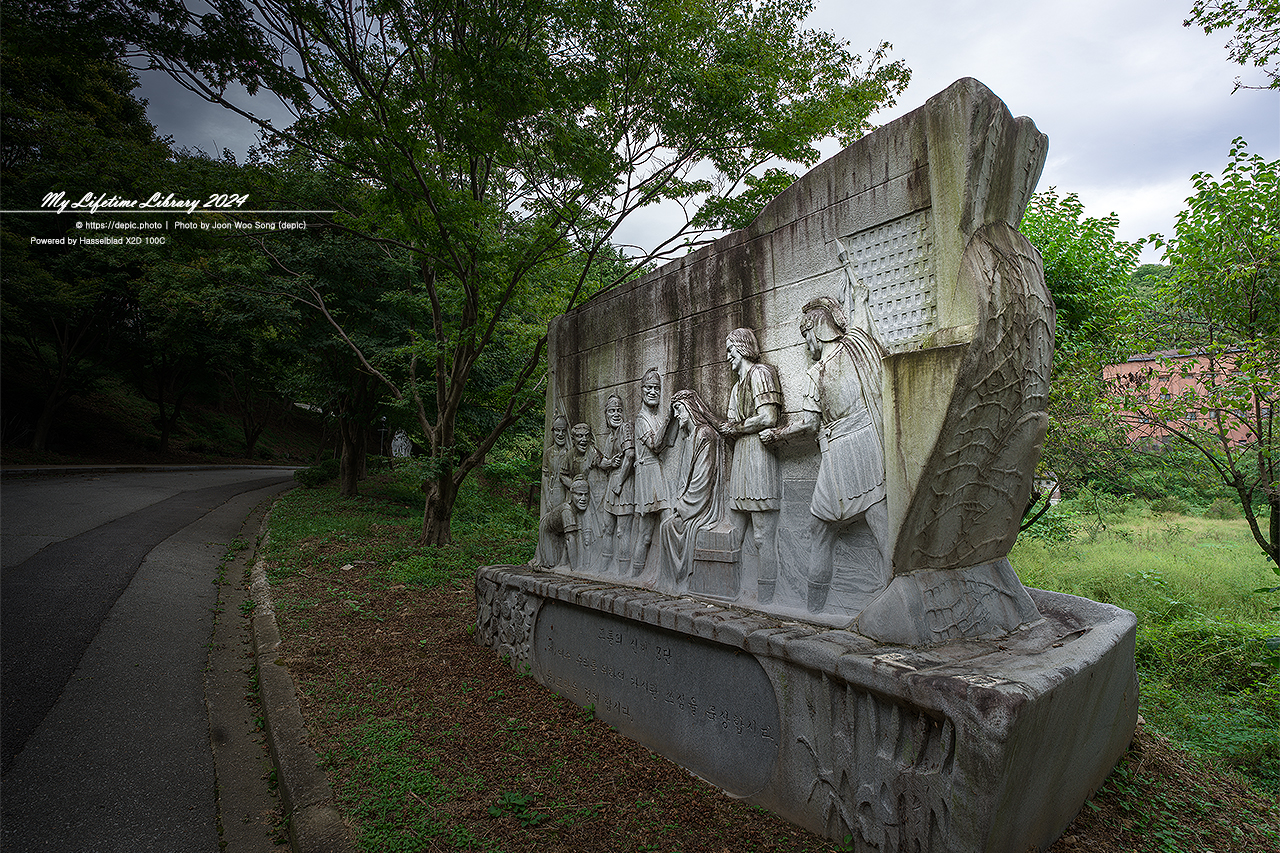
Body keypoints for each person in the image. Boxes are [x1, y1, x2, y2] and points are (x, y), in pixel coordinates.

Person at [762, 294, 888, 612]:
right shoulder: (859, 351)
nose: (807, 345)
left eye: (806, 336)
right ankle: (890, 595)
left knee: (821, 529)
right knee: (879, 521)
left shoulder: (817, 373)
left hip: (842, 453)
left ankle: (814, 607)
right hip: (869, 445)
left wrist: (776, 434)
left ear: (818, 327)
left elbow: (808, 424)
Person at [718, 328, 783, 603]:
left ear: (742, 347)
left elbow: (768, 416)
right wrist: (727, 428)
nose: (727, 355)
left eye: (730, 349)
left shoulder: (760, 373)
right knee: (735, 530)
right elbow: (732, 421)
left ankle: (767, 597)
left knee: (762, 535)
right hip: (742, 456)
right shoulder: (736, 386)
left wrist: (737, 427)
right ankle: (730, 589)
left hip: (758, 455)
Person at [655, 389, 726, 593]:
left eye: (679, 410)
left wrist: (682, 507)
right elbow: (684, 479)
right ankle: (673, 582)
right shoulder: (689, 436)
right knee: (667, 525)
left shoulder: (705, 434)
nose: (676, 416)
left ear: (690, 408)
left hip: (702, 504)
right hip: (690, 501)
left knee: (669, 527)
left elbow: (702, 480)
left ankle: (679, 579)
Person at [630, 368, 670, 575]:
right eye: (649, 388)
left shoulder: (656, 417)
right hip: (648, 475)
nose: (654, 392)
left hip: (659, 474)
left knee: (668, 521)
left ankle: (668, 574)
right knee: (645, 535)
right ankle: (636, 574)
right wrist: (671, 420)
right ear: (642, 391)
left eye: (657, 388)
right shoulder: (641, 420)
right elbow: (655, 444)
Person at [595, 394, 635, 573]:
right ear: (606, 415)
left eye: (619, 410)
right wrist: (610, 463)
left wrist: (620, 481)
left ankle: (623, 571)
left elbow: (630, 455)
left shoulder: (626, 428)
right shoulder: (609, 437)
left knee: (622, 531)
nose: (616, 414)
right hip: (612, 482)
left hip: (623, 484)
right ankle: (603, 569)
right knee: (607, 528)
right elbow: (603, 462)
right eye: (612, 411)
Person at [536, 476, 593, 570]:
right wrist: (575, 569)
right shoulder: (567, 510)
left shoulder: (579, 510)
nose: (583, 498)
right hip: (548, 531)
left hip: (559, 531)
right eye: (579, 494)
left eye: (586, 494)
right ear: (571, 495)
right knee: (551, 564)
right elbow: (570, 539)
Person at [540, 414, 570, 509]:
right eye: (557, 430)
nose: (560, 434)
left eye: (563, 431)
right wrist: (547, 498)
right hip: (551, 495)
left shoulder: (569, 453)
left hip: (565, 495)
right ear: (553, 432)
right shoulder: (548, 453)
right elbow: (545, 476)